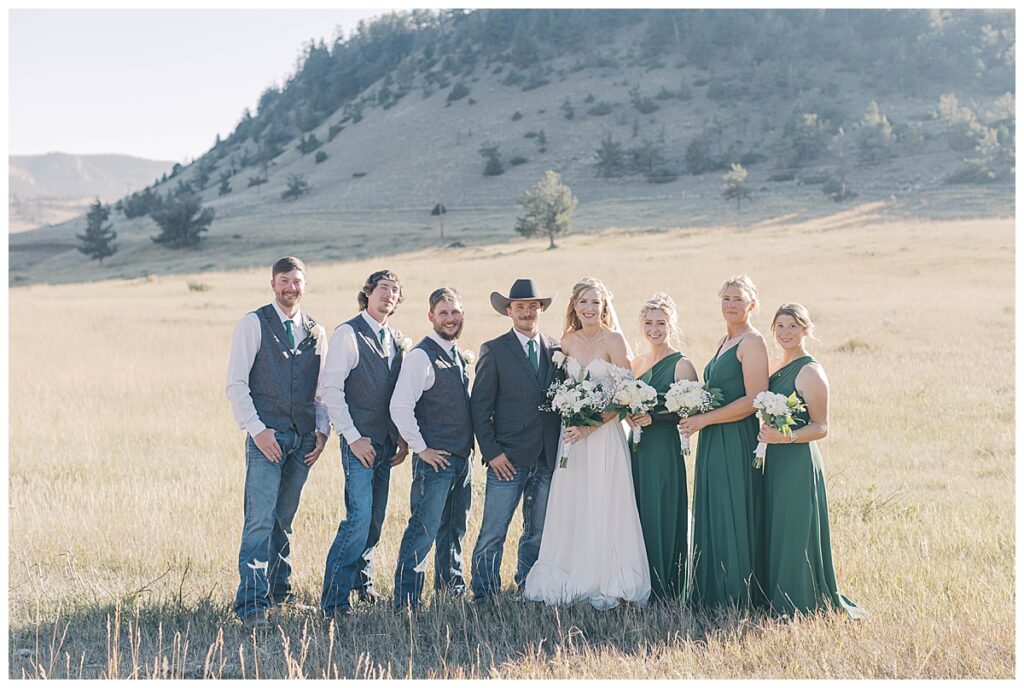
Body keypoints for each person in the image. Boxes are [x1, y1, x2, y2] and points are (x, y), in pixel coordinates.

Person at [523, 277, 650, 609]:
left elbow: (627, 394)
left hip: (604, 436)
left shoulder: (615, 340)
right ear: (574, 306)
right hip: (573, 437)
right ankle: (573, 571)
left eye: (596, 302)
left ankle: (609, 577)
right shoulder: (566, 342)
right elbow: (560, 390)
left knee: (606, 499)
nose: (590, 308)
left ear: (604, 306)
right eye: (583, 302)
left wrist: (590, 427)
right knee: (575, 501)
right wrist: (571, 414)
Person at [225, 256, 329, 629]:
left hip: (303, 441)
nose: (291, 288)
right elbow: (236, 384)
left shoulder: (317, 331)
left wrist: (322, 432)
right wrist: (257, 429)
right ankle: (251, 604)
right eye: (284, 280)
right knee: (259, 520)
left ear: (305, 285)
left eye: (297, 281)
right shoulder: (253, 323)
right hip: (267, 437)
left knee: (284, 519)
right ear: (273, 284)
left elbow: (322, 393)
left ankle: (279, 592)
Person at [758, 304, 867, 619]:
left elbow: (821, 427)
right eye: (780, 326)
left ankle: (798, 602)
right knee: (776, 526)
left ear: (805, 329)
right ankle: (772, 594)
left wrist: (785, 437)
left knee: (795, 529)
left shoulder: (810, 371)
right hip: (773, 460)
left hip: (796, 461)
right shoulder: (776, 365)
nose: (785, 333)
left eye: (792, 326)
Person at [319, 270, 410, 621]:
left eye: (395, 291)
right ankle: (334, 601)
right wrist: (352, 437)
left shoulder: (395, 338)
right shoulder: (348, 333)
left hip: (387, 443)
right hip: (359, 441)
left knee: (375, 519)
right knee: (357, 519)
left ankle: (363, 584)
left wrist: (401, 437)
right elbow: (331, 391)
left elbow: (398, 394)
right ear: (368, 294)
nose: (388, 295)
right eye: (383, 288)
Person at [679, 275, 769, 612]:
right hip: (714, 436)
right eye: (727, 299)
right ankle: (710, 591)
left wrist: (704, 420)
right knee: (713, 506)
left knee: (732, 507)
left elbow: (754, 400)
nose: (731, 305)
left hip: (735, 436)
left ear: (752, 305)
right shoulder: (724, 339)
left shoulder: (752, 342)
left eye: (739, 299)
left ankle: (735, 594)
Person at [469, 279, 561, 603]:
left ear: (541, 310)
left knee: (537, 532)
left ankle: (528, 587)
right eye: (519, 307)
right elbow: (479, 408)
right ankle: (484, 594)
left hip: (547, 457)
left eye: (532, 306)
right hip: (507, 459)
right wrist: (492, 453)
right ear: (509, 311)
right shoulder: (493, 350)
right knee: (494, 532)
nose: (526, 312)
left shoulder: (557, 349)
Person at [390, 288, 474, 610]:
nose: (450, 318)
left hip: (461, 459)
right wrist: (421, 448)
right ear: (431, 317)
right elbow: (400, 407)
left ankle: (449, 590)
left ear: (462, 315)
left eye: (454, 312)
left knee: (454, 530)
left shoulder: (457, 354)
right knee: (423, 530)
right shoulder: (421, 356)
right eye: (443, 313)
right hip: (435, 462)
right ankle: (407, 600)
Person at [626, 293, 698, 602]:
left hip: (664, 448)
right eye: (648, 323)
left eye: (661, 323)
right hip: (637, 448)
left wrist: (654, 417)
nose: (654, 329)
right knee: (637, 511)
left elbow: (692, 412)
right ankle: (637, 581)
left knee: (663, 510)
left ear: (671, 325)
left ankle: (666, 583)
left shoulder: (682, 365)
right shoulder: (636, 363)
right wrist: (630, 415)